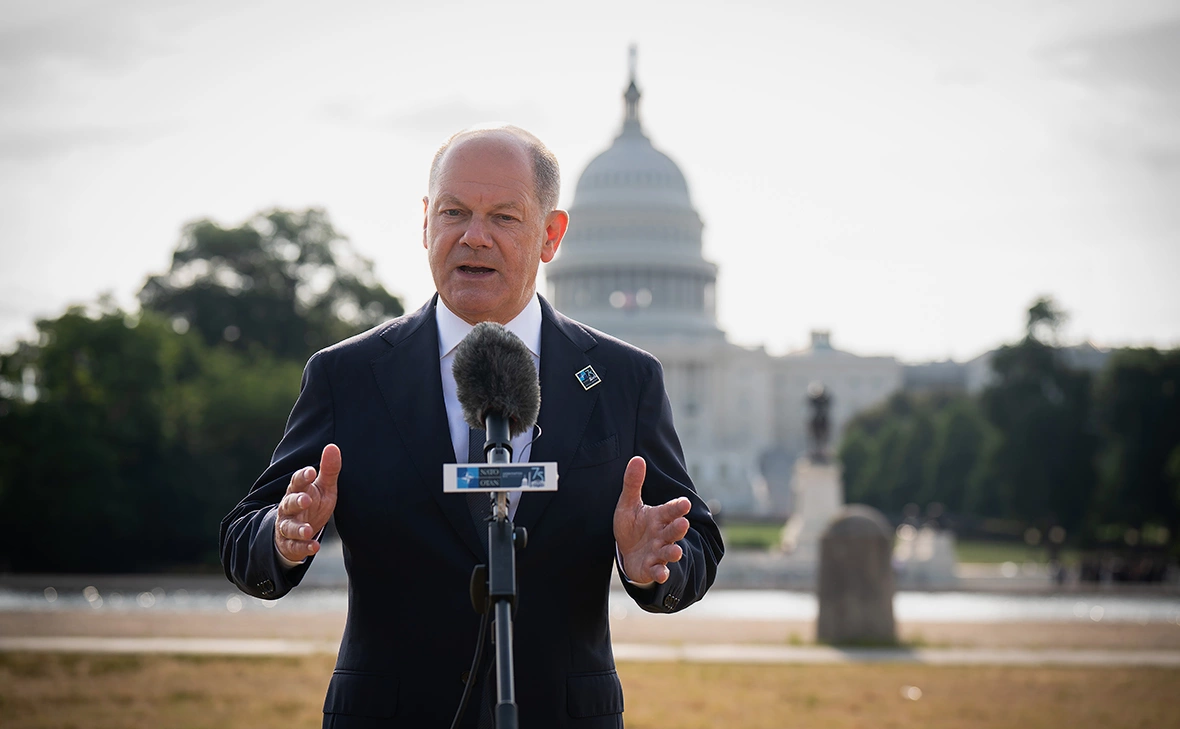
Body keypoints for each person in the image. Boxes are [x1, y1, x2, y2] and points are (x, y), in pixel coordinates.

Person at [220, 125, 724, 728]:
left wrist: (655, 562)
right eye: (454, 212)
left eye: (504, 218)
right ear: (426, 222)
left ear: (551, 236)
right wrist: (281, 535)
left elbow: (696, 539)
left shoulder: (621, 379)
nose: (474, 237)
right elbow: (242, 534)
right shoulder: (347, 376)